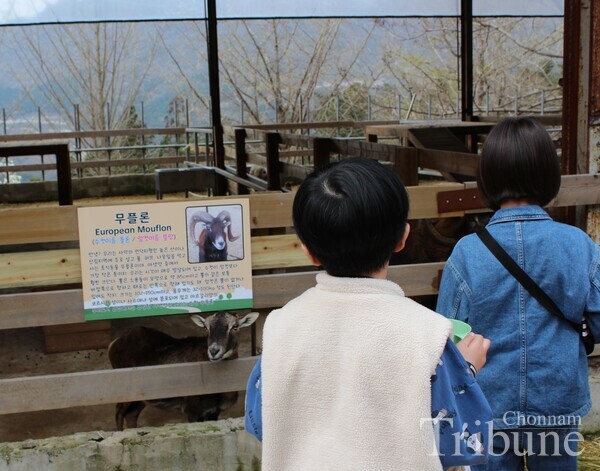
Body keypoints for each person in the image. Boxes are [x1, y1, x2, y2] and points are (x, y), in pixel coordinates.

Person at [245, 157, 492, 470]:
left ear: (307, 250)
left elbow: (259, 420)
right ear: (403, 237)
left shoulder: (281, 328)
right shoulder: (427, 334)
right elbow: (463, 442)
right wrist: (465, 371)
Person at [436, 117, 600, 470]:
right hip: (557, 406)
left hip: (488, 407)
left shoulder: (466, 252)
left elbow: (447, 337)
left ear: (488, 178)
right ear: (547, 175)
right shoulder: (579, 245)